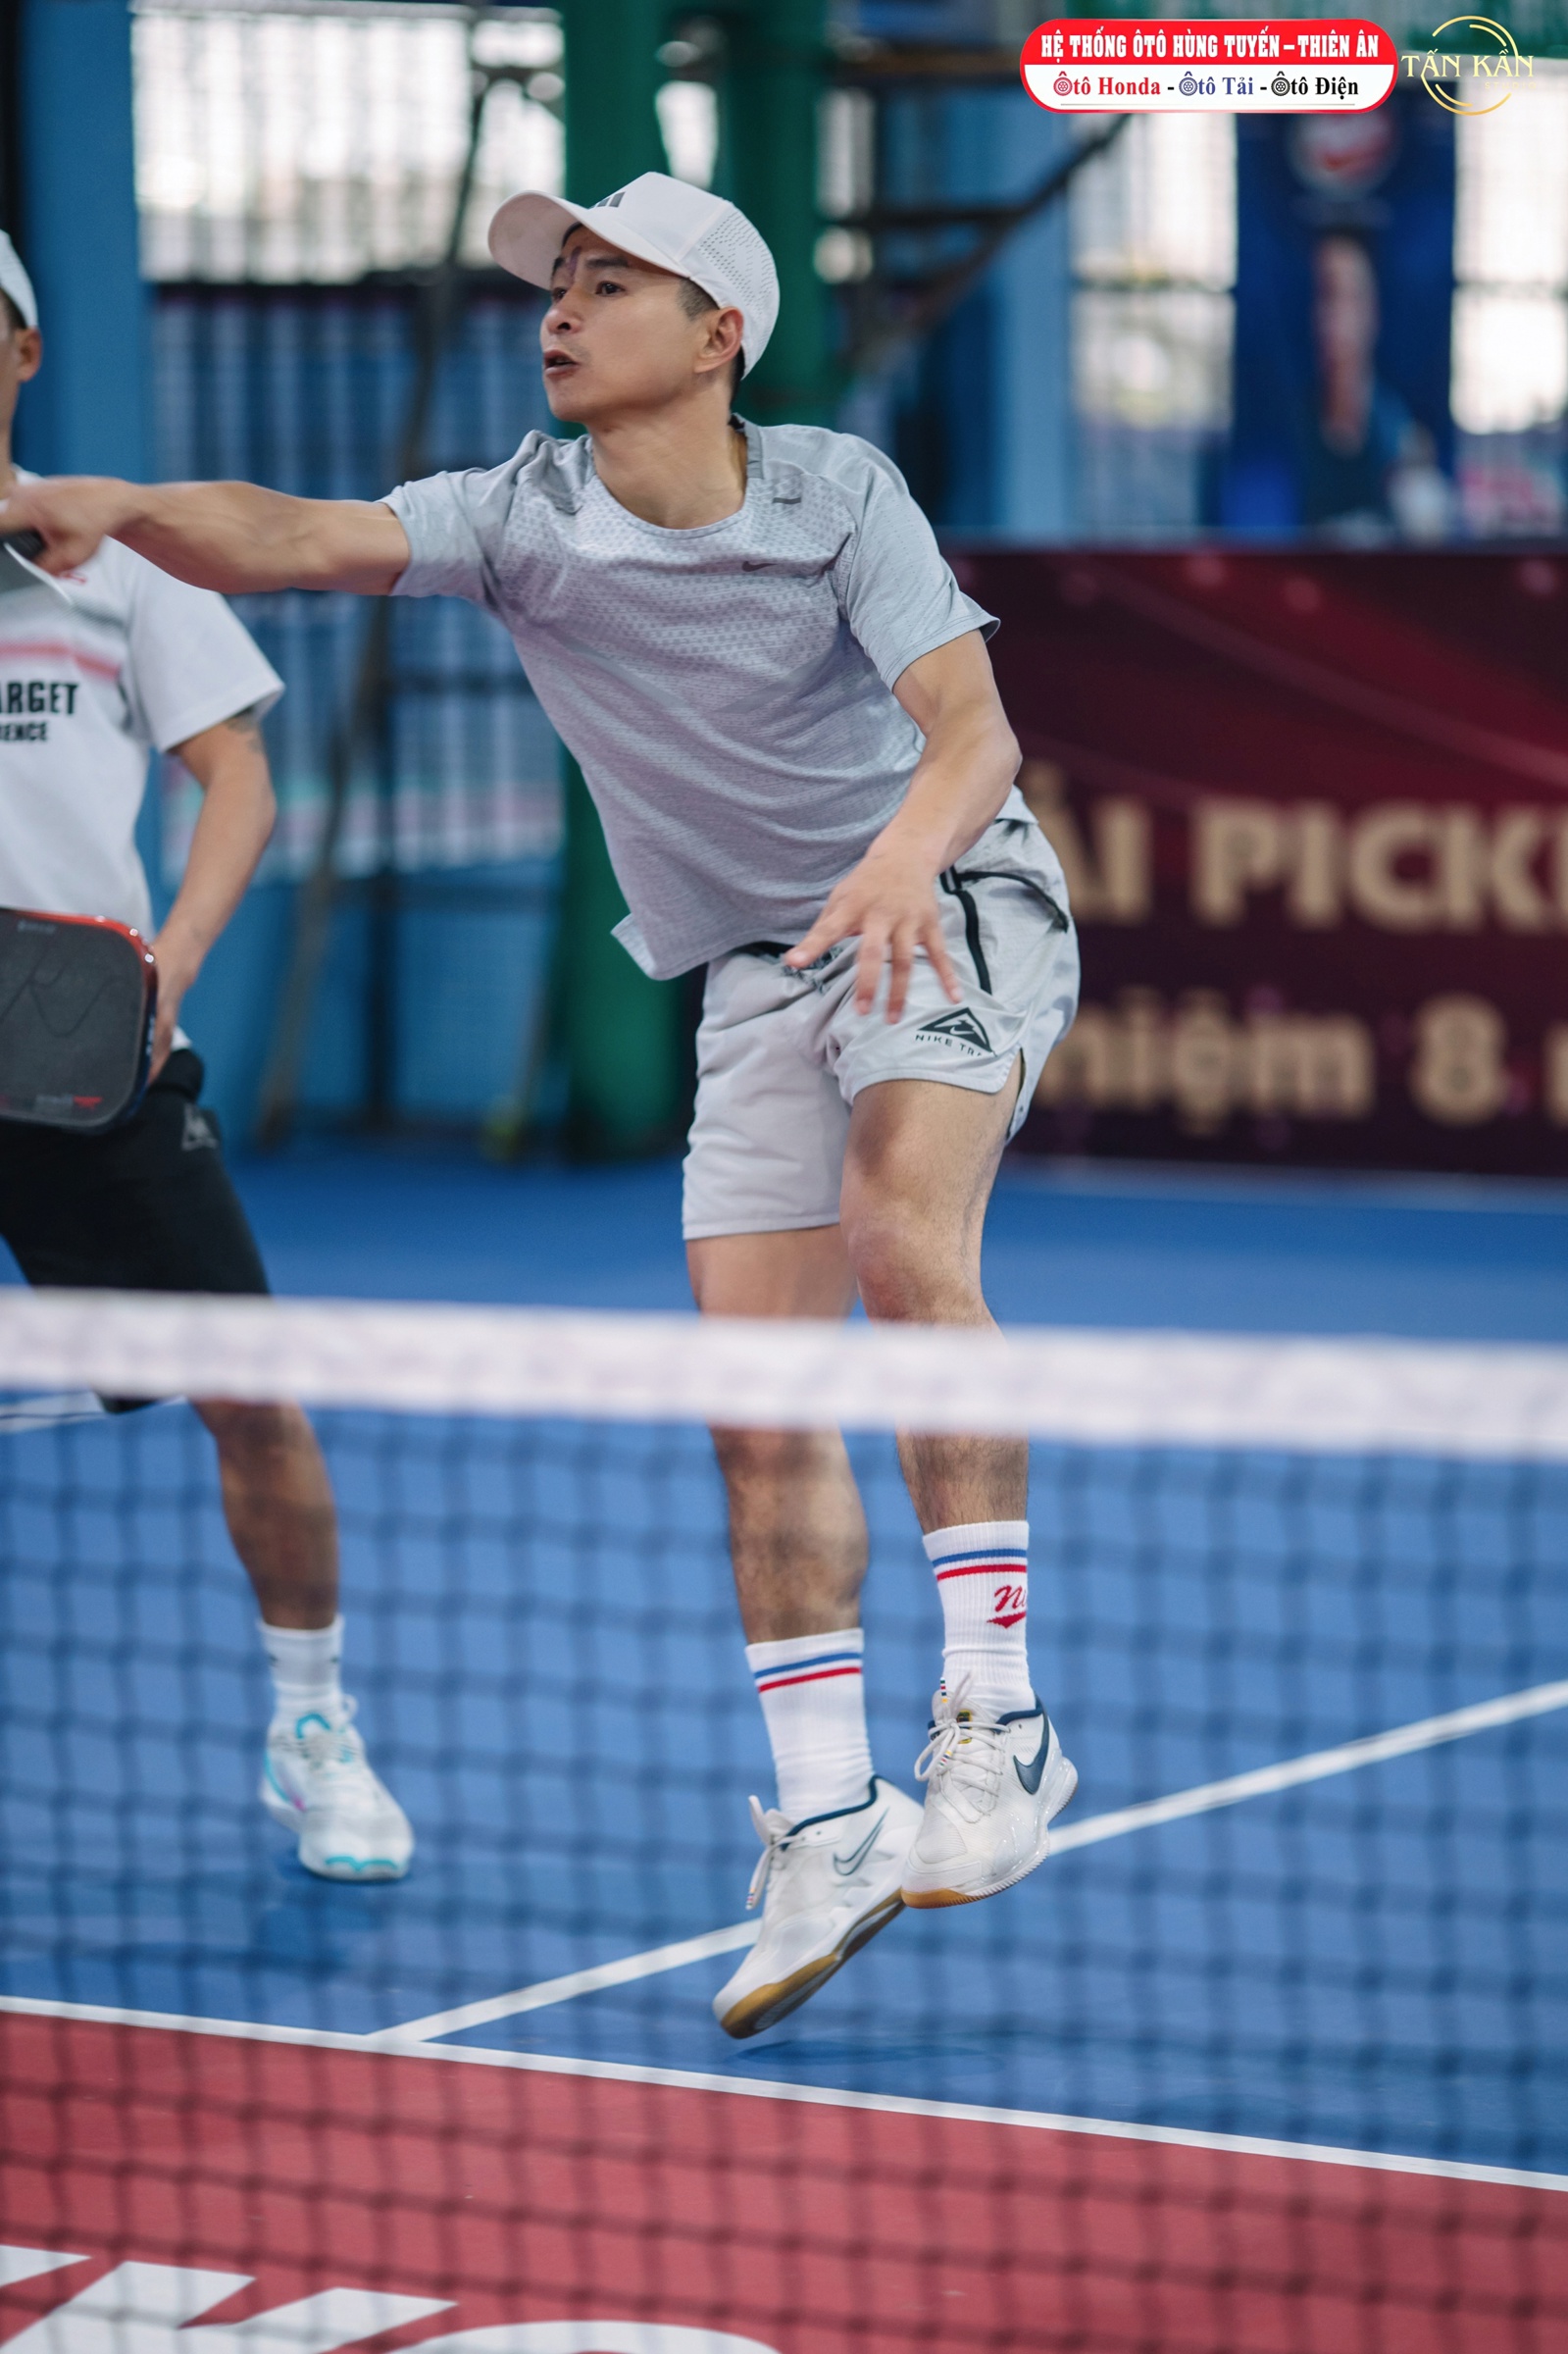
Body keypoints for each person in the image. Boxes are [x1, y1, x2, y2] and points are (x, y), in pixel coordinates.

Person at [0, 172, 1080, 2033]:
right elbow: (289, 533)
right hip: (752, 969)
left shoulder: (836, 492)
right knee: (753, 1408)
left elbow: (971, 727)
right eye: (554, 284)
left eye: (608, 282)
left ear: (718, 333)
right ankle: (832, 1819)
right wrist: (120, 503)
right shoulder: (520, 516)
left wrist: (907, 855)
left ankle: (999, 1719)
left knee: (904, 1241)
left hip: (943, 902)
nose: (558, 312)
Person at [0, 232, 411, 1883]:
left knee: (250, 1395)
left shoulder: (123, 564)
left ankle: (314, 1727)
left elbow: (237, 778)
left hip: (83, 1048)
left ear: (24, 353)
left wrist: (172, 955)